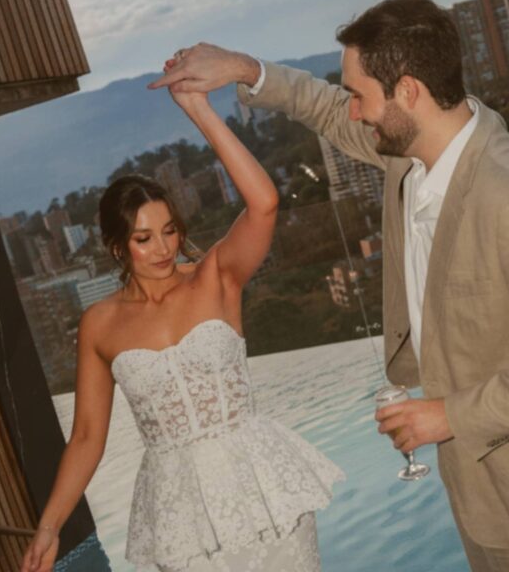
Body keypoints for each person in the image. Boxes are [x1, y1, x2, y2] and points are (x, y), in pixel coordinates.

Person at [149, 0, 509, 570]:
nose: (353, 112)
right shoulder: (412, 156)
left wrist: (447, 415)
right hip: (478, 480)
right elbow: (324, 111)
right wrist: (245, 70)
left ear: (407, 90)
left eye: (360, 96)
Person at [21, 55, 344, 572]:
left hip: (260, 491)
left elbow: (263, 204)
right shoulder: (99, 325)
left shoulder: (215, 277)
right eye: (144, 238)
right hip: (180, 516)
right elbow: (86, 436)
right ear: (115, 247)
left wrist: (200, 110)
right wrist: (49, 525)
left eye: (170, 230)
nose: (163, 248)